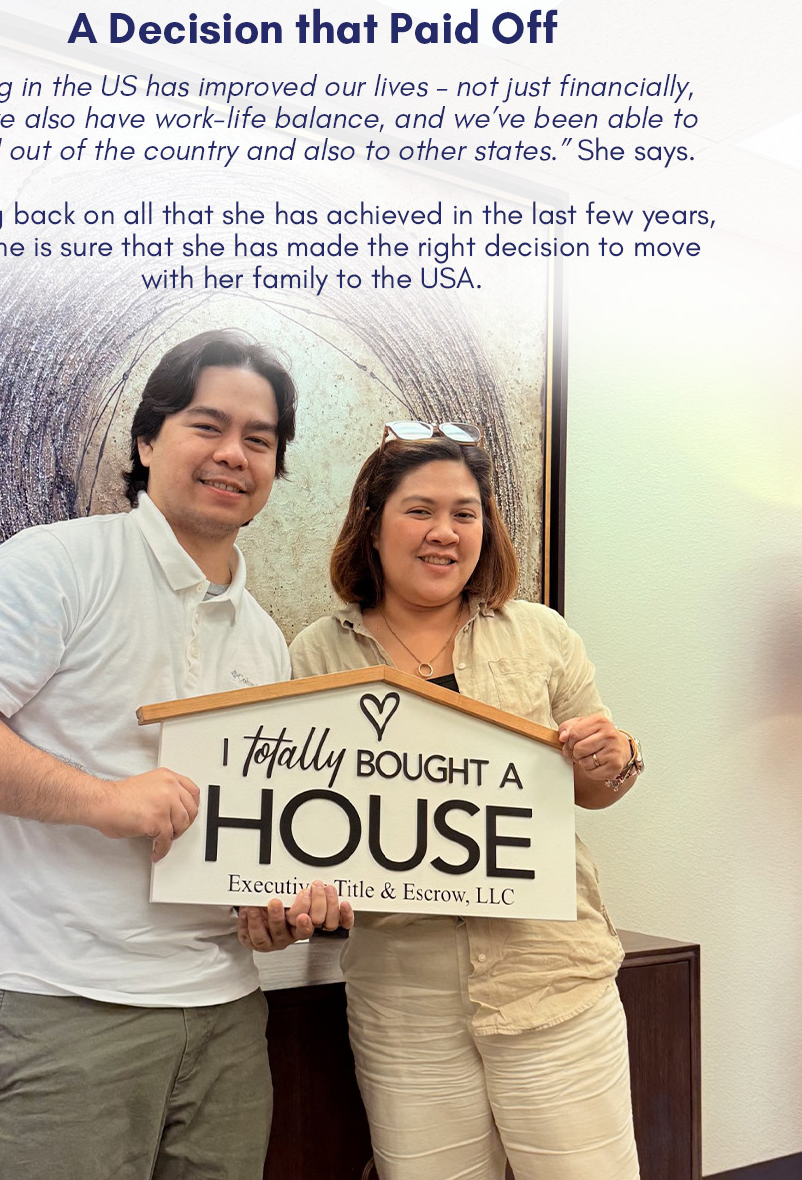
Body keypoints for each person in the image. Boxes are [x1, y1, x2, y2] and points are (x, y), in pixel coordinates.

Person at [0, 329, 348, 1180]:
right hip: (54, 1010)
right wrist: (104, 800)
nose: (233, 453)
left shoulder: (263, 638)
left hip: (226, 1018)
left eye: (259, 439)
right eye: (207, 425)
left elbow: (239, 842)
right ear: (146, 440)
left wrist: (268, 909)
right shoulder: (59, 563)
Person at [286, 427, 645, 1180]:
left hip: (551, 979)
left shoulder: (542, 635)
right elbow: (303, 816)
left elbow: (594, 787)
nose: (444, 532)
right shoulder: (318, 653)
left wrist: (614, 759)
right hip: (402, 1000)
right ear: (373, 523)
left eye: (465, 513)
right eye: (420, 510)